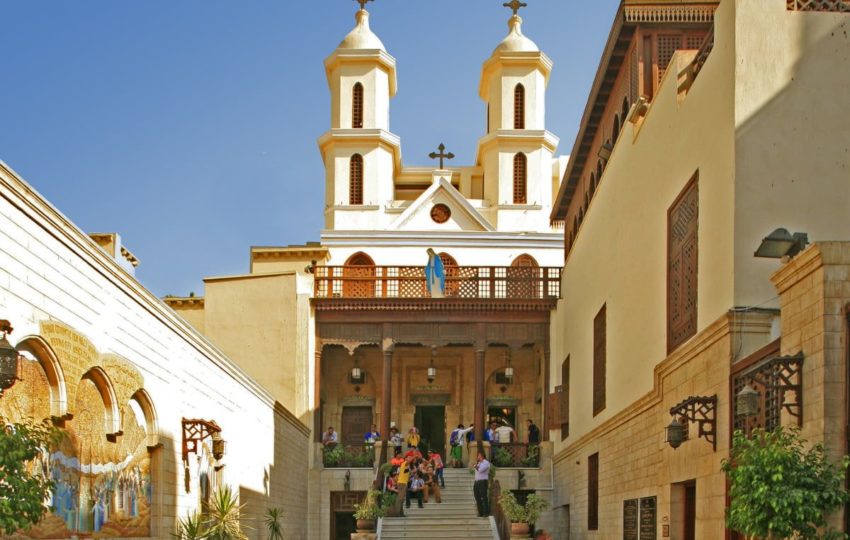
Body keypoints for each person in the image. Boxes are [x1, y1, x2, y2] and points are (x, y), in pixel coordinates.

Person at [472, 452, 490, 517]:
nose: (477, 457)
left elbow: (480, 470)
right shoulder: (479, 463)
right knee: (477, 496)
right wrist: (476, 465)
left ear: (482, 456)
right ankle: (480, 512)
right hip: (477, 482)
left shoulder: (486, 463)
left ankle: (486, 513)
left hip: (483, 481)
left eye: (478, 455)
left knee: (484, 497)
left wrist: (475, 466)